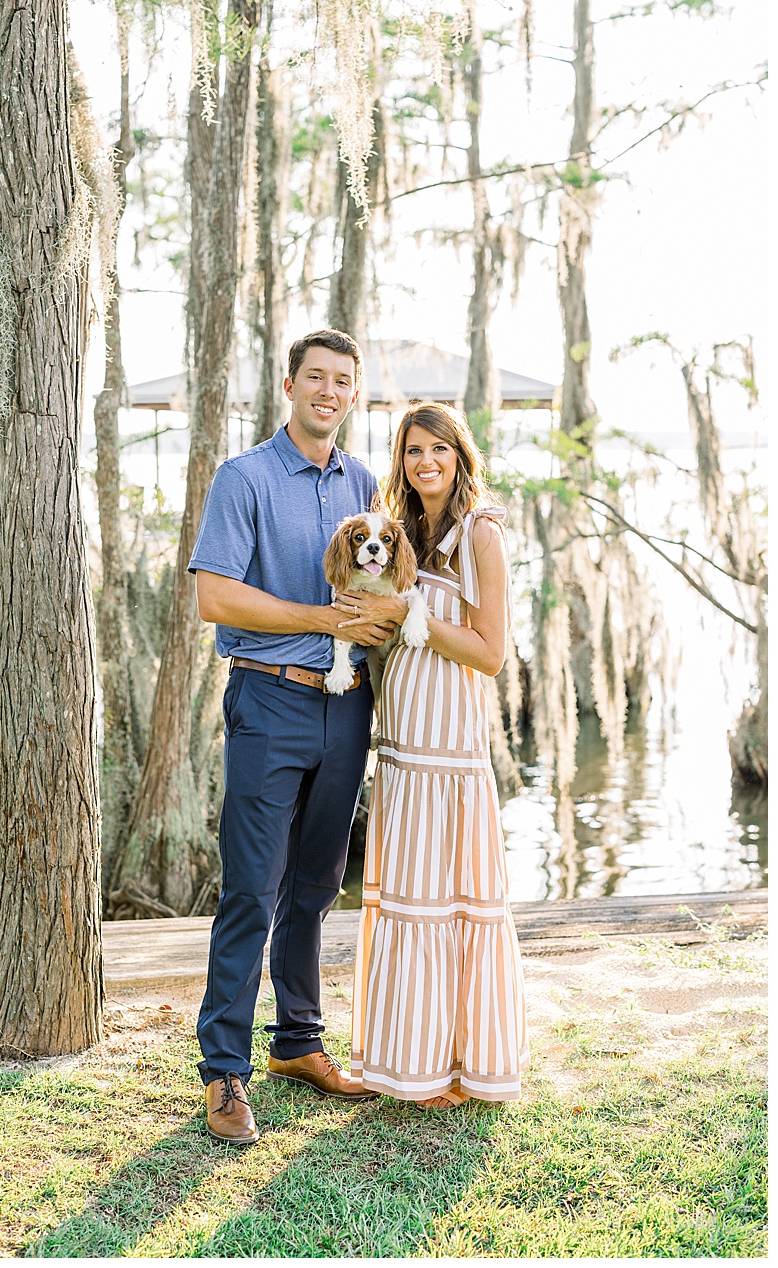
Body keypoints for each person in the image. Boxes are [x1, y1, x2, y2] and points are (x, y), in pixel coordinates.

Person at [186, 328, 398, 1145]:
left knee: (313, 886)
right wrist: (317, 618)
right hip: (269, 702)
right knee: (249, 888)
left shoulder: (366, 484)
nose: (329, 391)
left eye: (343, 381)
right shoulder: (243, 479)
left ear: (353, 394)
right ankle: (225, 1073)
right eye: (316, 377)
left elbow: (391, 587)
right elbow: (215, 597)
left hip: (345, 707)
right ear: (289, 385)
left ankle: (299, 1044)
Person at [334, 402, 529, 1107]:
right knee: (408, 901)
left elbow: (491, 652)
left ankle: (455, 1065)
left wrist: (415, 619)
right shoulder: (404, 528)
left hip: (452, 749)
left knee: (450, 904)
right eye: (413, 451)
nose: (425, 463)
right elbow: (381, 618)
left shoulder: (481, 531)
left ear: (459, 455)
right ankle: (405, 1061)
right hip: (404, 745)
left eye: (438, 450)